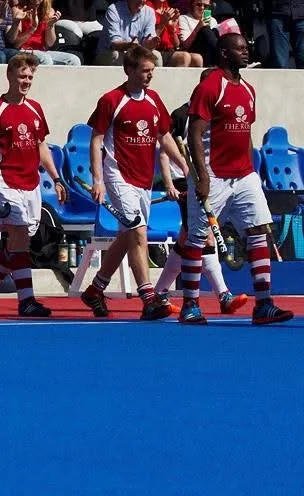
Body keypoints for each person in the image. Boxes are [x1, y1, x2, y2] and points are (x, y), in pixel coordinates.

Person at [178, 33, 294, 325]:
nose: (246, 52)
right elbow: (193, 133)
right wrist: (201, 177)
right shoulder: (209, 86)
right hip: (213, 174)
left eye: (246, 48)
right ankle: (190, 305)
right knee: (196, 240)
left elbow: (245, 132)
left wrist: (252, 169)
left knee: (257, 230)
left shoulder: (248, 89)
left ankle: (264, 304)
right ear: (225, 54)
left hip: (244, 175)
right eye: (240, 49)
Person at [77, 46, 187, 320]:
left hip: (143, 179)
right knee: (138, 232)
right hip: (118, 175)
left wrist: (185, 167)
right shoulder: (112, 100)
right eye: (145, 71)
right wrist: (98, 180)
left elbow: (165, 137)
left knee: (127, 237)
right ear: (129, 70)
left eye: (152, 71)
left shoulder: (154, 100)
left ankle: (95, 289)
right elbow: (96, 139)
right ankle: (149, 298)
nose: (150, 76)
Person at [0, 54, 66, 317]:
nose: (26, 81)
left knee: (19, 243)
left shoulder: (35, 108)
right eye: (22, 76)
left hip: (30, 183)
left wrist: (56, 178)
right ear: (10, 75)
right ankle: (26, 301)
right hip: (4, 181)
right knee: (20, 236)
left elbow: (41, 146)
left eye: (30, 77)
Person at [154, 75, 248, 313]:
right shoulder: (182, 115)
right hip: (187, 182)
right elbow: (164, 151)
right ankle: (223, 295)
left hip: (212, 181)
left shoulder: (220, 115)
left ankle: (160, 292)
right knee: (202, 236)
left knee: (187, 238)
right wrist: (170, 184)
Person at [10, 0, 81, 65]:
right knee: (46, 59)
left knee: (73, 60)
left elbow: (50, 43)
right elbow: (16, 43)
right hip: (23, 50)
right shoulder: (19, 10)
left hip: (42, 51)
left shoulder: (49, 11)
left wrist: (50, 26)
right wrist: (32, 28)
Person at [95, 0, 162, 66]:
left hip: (136, 53)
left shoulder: (149, 12)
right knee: (116, 55)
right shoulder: (114, 10)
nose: (142, 1)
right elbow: (114, 43)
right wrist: (129, 45)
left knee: (156, 55)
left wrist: (151, 42)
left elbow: (147, 41)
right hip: (108, 53)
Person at [148, 0, 198, 67]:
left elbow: (176, 44)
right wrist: (163, 23)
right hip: (153, 49)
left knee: (197, 58)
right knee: (184, 56)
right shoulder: (147, 9)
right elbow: (149, 41)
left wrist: (173, 27)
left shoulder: (169, 10)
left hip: (169, 51)